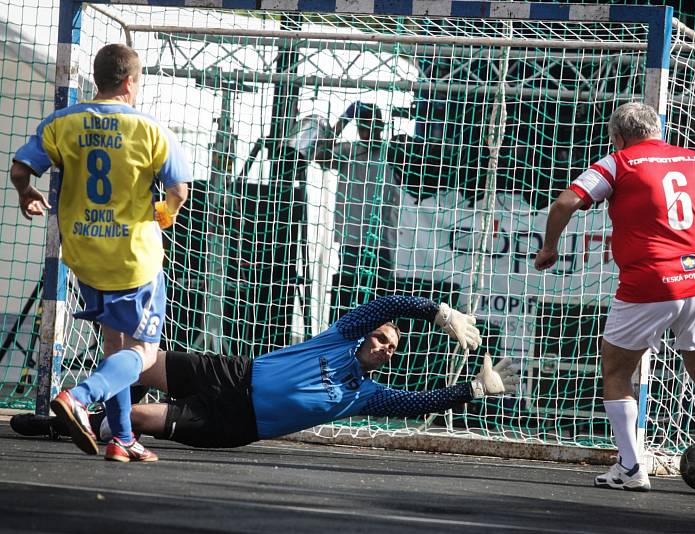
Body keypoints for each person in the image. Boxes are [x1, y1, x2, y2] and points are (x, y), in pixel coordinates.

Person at [533, 102, 695, 492]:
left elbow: (565, 202)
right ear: (657, 130)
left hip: (649, 283)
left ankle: (631, 468)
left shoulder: (619, 162)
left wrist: (549, 248)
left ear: (618, 136)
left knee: (616, 372)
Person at [11, 295, 519, 448]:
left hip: (236, 424)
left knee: (141, 419)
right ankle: (75, 402)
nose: (386, 348)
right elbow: (384, 304)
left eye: (393, 348)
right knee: (144, 359)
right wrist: (439, 314)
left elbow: (418, 403)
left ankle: (62, 425)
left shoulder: (362, 394)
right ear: (368, 336)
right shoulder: (341, 338)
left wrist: (473, 388)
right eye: (383, 338)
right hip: (233, 373)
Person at [10, 43, 192, 462]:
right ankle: (79, 397)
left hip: (85, 257)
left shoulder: (64, 121)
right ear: (130, 82)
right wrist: (165, 213)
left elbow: (21, 169)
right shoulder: (150, 129)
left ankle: (122, 438)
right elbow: (179, 191)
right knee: (143, 354)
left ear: (97, 80)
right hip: (134, 259)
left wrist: (26, 194)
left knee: (115, 348)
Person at [323, 102, 401, 318]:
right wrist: (342, 121)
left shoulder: (392, 153)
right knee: (346, 298)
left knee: (381, 299)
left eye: (373, 127)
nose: (369, 132)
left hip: (383, 241)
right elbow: (318, 152)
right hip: (352, 240)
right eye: (364, 127)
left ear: (381, 127)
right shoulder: (350, 151)